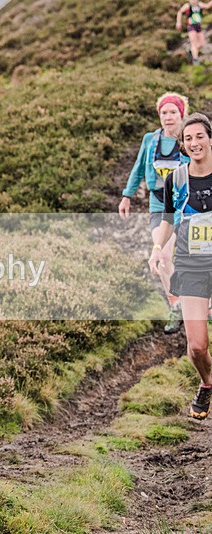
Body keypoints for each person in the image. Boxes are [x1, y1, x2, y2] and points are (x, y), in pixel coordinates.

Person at [149, 112, 212, 420]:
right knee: (198, 346)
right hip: (191, 265)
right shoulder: (176, 179)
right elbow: (168, 220)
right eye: (188, 139)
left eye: (200, 136)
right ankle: (207, 383)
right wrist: (158, 248)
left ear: (210, 139)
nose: (194, 143)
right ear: (183, 146)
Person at [119, 92, 190, 334]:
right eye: (164, 113)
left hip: (187, 206)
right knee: (163, 257)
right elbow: (138, 168)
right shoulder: (151, 139)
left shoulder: (189, 138)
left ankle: (201, 305)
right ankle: (176, 305)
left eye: (173, 112)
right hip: (160, 205)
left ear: (182, 114)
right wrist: (127, 195)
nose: (168, 117)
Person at [176, 0, 212, 65]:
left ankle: (192, 51)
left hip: (199, 26)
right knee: (194, 42)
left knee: (202, 43)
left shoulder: (199, 4)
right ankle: (195, 60)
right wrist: (178, 22)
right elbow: (180, 12)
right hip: (191, 26)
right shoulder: (187, 5)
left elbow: (207, 6)